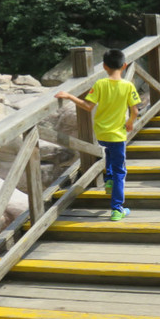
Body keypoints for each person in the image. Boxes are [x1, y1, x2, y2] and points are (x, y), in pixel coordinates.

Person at [55, 49, 141, 221]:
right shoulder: (128, 86)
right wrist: (130, 121)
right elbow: (135, 110)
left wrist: (70, 96)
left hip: (101, 132)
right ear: (124, 66)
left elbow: (87, 106)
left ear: (104, 66)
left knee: (108, 152)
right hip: (118, 135)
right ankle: (117, 209)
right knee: (120, 171)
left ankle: (108, 179)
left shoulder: (100, 84)